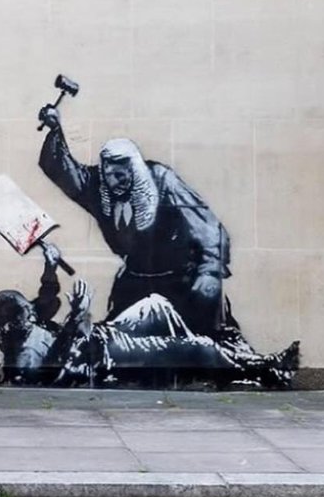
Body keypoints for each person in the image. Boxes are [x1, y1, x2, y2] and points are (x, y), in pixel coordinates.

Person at [0, 244, 300, 389]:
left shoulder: (27, 324)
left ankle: (210, 366)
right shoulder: (24, 354)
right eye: (26, 309)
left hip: (103, 335)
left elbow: (46, 297)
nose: (33, 308)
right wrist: (75, 318)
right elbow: (51, 376)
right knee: (196, 346)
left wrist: (50, 264)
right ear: (12, 322)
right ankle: (262, 368)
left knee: (155, 305)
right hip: (105, 354)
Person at [37, 104, 233, 335]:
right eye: (108, 175)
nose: (113, 182)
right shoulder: (100, 189)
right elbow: (63, 171)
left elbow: (207, 227)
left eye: (119, 175)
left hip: (179, 284)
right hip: (134, 283)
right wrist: (55, 129)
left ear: (135, 171)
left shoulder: (163, 181)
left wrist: (210, 271)